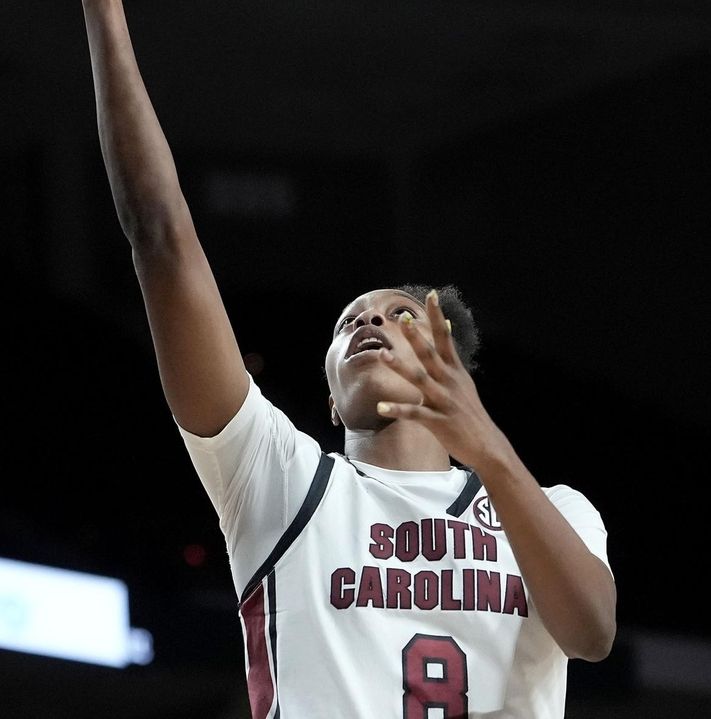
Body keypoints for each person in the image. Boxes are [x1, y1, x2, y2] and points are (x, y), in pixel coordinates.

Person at [81, 2, 617, 717]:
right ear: (331, 399)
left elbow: (592, 632)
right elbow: (158, 232)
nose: (369, 320)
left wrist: (488, 449)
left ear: (450, 360)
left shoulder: (555, 510)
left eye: (399, 314)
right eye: (348, 322)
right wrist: (104, 13)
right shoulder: (278, 478)